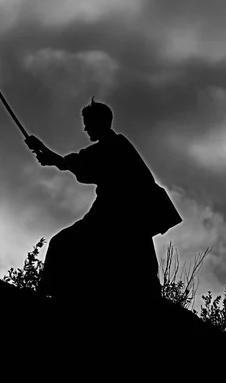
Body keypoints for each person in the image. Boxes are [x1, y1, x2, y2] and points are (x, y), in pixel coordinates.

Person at [25, 97, 182, 311]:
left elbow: (72, 163)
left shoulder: (113, 147)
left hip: (114, 216)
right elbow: (74, 163)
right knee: (137, 268)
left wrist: (46, 152)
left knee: (62, 244)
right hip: (122, 217)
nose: (85, 128)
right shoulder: (116, 146)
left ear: (100, 122)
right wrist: (48, 155)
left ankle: (47, 298)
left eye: (88, 123)